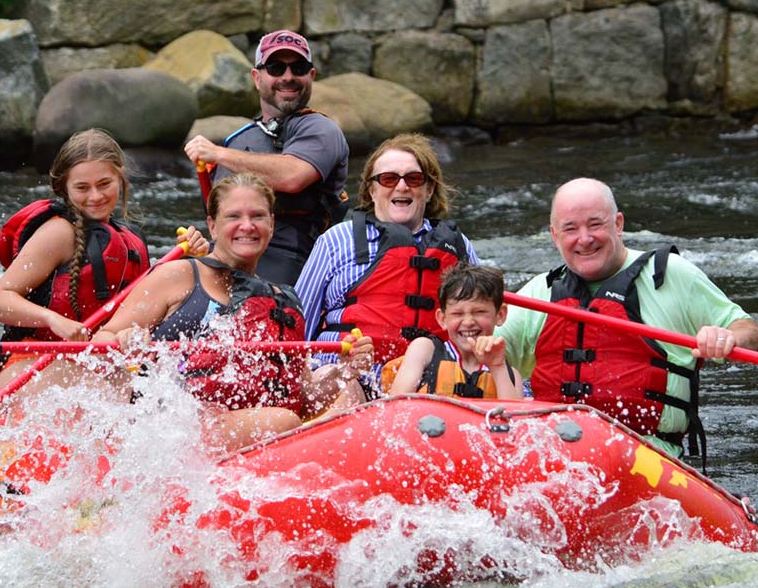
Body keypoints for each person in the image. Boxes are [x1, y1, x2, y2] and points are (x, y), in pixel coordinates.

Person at [92, 173, 374, 454]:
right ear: (212, 226)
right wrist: (125, 339)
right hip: (171, 430)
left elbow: (301, 400)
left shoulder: (283, 300)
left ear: (272, 225)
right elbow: (102, 336)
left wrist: (347, 371)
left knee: (335, 396)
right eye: (234, 216)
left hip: (251, 435)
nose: (247, 226)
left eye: (258, 216)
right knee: (282, 421)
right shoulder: (178, 275)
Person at [497, 176, 758, 457]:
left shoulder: (670, 275)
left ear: (619, 224)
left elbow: (749, 332)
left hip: (649, 457)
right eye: (571, 228)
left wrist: (728, 337)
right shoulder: (541, 291)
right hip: (555, 456)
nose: (585, 239)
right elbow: (491, 358)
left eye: (596, 224)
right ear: (555, 235)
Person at [0, 128, 207, 391]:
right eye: (82, 188)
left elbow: (145, 306)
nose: (95, 197)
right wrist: (52, 319)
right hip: (33, 362)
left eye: (104, 184)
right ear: (63, 188)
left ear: (120, 177)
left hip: (95, 361)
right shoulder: (58, 233)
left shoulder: (130, 239)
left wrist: (188, 260)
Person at [294, 132, 481, 391]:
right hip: (351, 377)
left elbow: (482, 325)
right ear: (372, 190)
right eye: (388, 179)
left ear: (428, 190)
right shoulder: (337, 241)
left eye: (414, 179)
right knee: (345, 387)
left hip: (433, 380)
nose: (402, 187)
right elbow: (299, 328)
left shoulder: (459, 246)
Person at [182, 30, 349, 285]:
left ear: (311, 76)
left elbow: (293, 176)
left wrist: (218, 153)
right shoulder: (239, 140)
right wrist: (203, 250)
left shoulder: (322, 129)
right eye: (276, 68)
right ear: (257, 78)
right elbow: (220, 221)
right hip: (230, 261)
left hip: (299, 264)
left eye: (299, 68)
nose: (288, 77)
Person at [384, 263, 523, 400]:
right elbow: (397, 407)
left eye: (480, 312)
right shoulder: (424, 350)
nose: (468, 322)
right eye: (457, 314)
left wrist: (497, 367)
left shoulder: (510, 375)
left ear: (500, 315)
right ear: (442, 319)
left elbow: (515, 420)